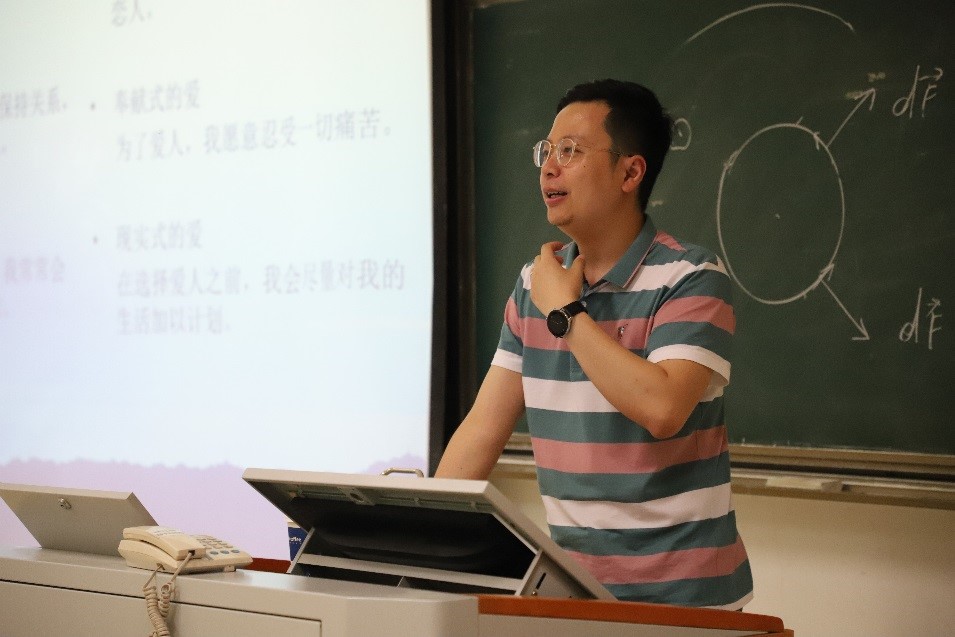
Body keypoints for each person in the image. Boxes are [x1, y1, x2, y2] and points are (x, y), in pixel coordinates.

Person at [435, 79, 754, 609]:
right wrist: (425, 534)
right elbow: (483, 430)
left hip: (688, 603)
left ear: (630, 172)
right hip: (577, 593)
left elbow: (663, 408)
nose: (549, 168)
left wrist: (565, 312)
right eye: (547, 150)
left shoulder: (690, 276)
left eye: (571, 151)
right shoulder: (535, 284)